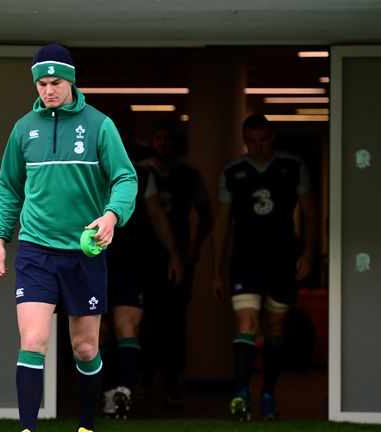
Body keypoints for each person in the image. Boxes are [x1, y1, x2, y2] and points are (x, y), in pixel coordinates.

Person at [0, 44, 137, 432]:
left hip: (84, 253)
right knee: (33, 340)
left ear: (70, 81)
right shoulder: (23, 129)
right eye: (41, 83)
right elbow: (9, 187)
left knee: (85, 348)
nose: (48, 90)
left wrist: (110, 215)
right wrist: (0, 238)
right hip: (36, 250)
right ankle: (27, 429)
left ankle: (86, 426)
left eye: (55, 82)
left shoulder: (100, 125)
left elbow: (125, 178)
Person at [211, 114, 316, 421]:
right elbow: (222, 223)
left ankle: (268, 393)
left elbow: (310, 212)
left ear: (273, 138)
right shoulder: (233, 172)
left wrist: (309, 251)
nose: (258, 147)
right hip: (246, 259)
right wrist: (216, 269)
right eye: (251, 141)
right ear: (245, 141)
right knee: (247, 321)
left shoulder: (293, 167)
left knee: (275, 327)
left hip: (283, 258)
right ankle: (242, 394)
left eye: (263, 140)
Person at [100, 161, 184, 419]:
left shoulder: (142, 173)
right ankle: (107, 394)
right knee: (98, 332)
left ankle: (124, 392)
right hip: (93, 257)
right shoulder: (82, 164)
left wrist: (174, 255)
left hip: (131, 259)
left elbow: (157, 215)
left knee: (127, 326)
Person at [138, 122, 213, 408]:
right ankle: (144, 379)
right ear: (151, 142)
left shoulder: (189, 174)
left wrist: (194, 248)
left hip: (180, 257)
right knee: (145, 320)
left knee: (173, 322)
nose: (162, 143)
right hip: (145, 257)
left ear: (175, 142)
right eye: (158, 137)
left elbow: (207, 214)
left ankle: (171, 382)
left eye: (167, 138)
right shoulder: (141, 170)